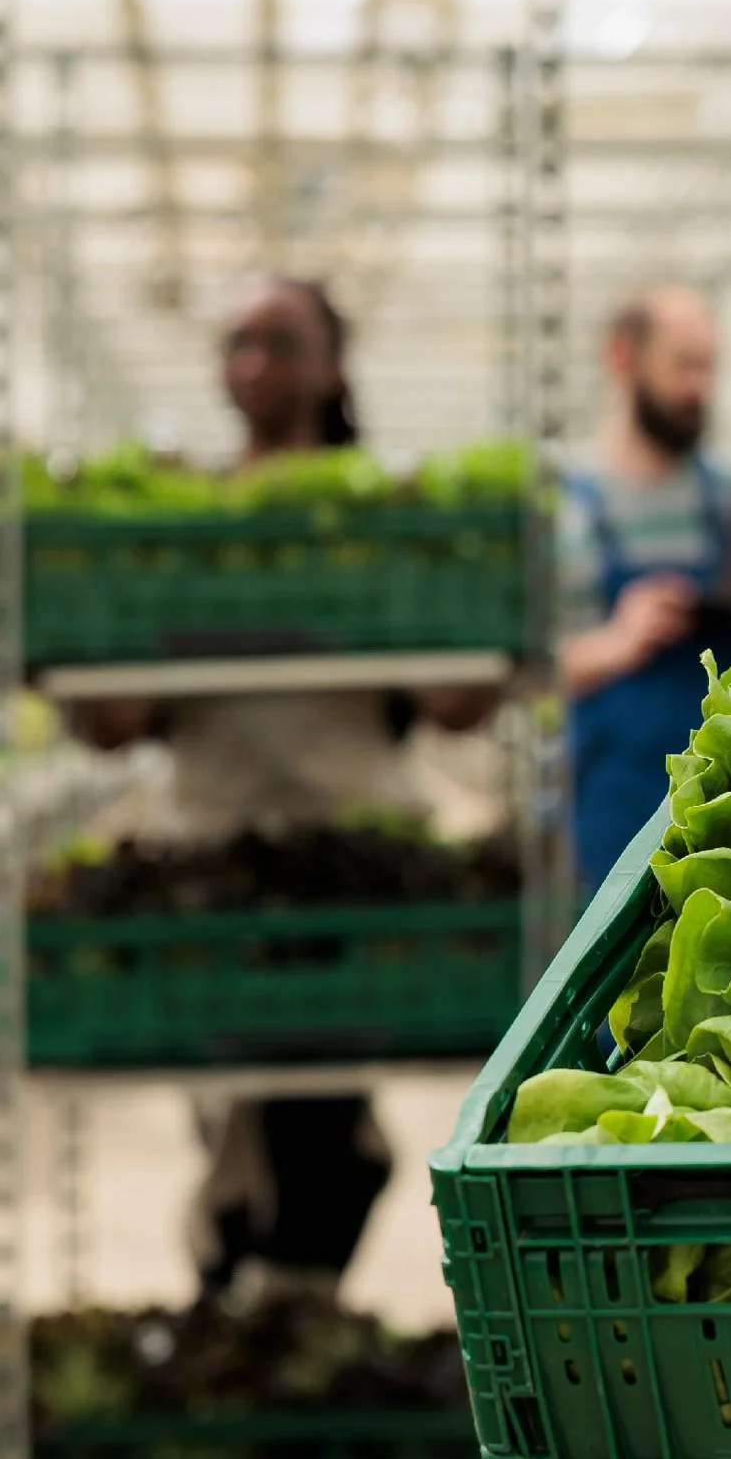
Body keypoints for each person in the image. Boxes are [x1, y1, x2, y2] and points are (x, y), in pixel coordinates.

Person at [82, 277, 463, 1300]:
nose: (256, 360)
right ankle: (259, 1298)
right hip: (211, 857)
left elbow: (456, 698)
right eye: (239, 340)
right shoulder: (191, 526)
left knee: (314, 1122)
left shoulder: (378, 516)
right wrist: (70, 646)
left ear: (332, 364)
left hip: (355, 859)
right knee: (240, 1110)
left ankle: (259, 1299)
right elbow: (115, 722)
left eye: (281, 341)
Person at [558, 285, 731, 891]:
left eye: (709, 367)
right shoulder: (569, 509)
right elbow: (531, 671)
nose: (699, 388)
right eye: (683, 365)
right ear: (622, 359)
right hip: (617, 807)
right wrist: (619, 639)